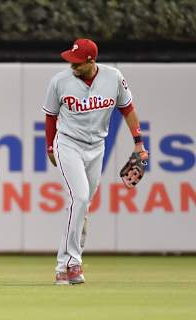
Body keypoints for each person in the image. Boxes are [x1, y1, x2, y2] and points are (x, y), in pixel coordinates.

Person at [42, 39, 148, 285]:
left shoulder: (113, 77)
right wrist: (49, 145)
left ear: (91, 61)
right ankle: (73, 263)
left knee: (82, 206)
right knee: (79, 198)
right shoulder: (60, 81)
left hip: (96, 147)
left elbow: (128, 109)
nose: (72, 66)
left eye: (77, 62)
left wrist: (139, 142)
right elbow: (50, 116)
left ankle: (62, 267)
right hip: (67, 144)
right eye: (71, 61)